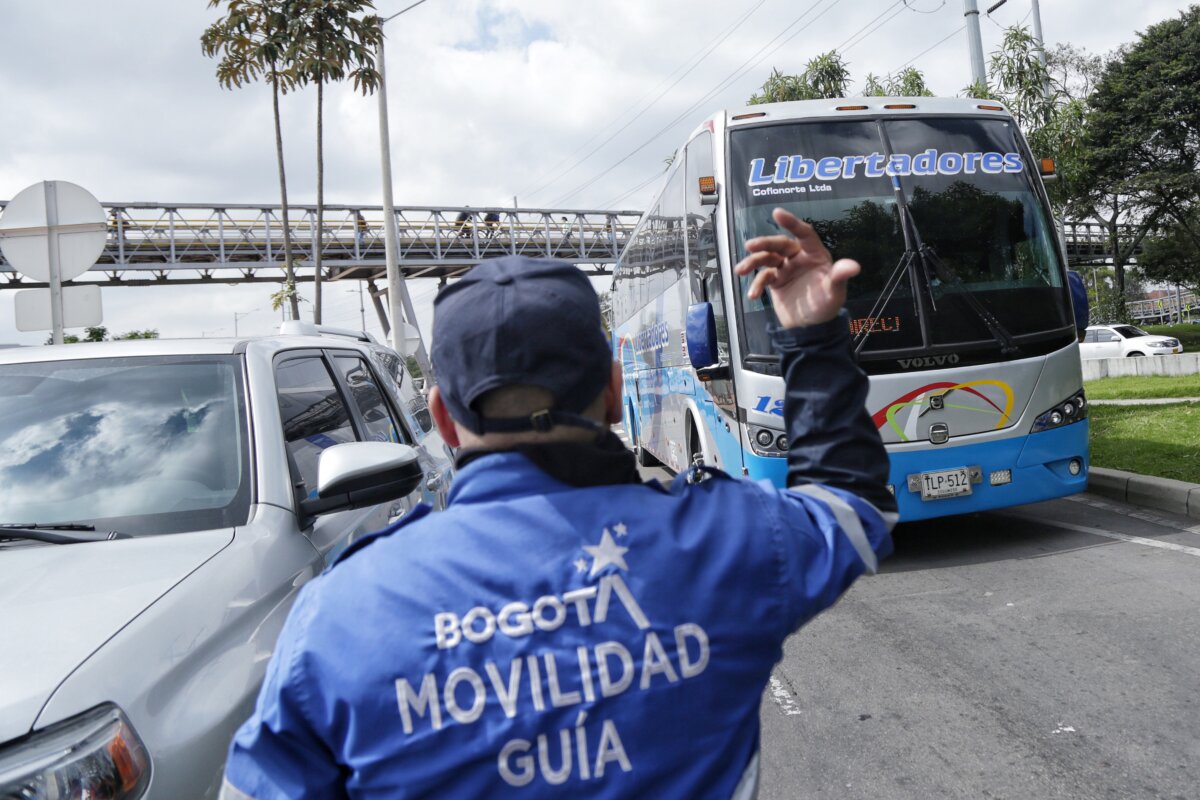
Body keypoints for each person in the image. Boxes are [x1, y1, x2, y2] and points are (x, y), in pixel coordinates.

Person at [221, 207, 896, 799]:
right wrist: (812, 338)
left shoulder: (335, 619)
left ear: (444, 420)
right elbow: (852, 510)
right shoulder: (730, 541)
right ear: (611, 390)